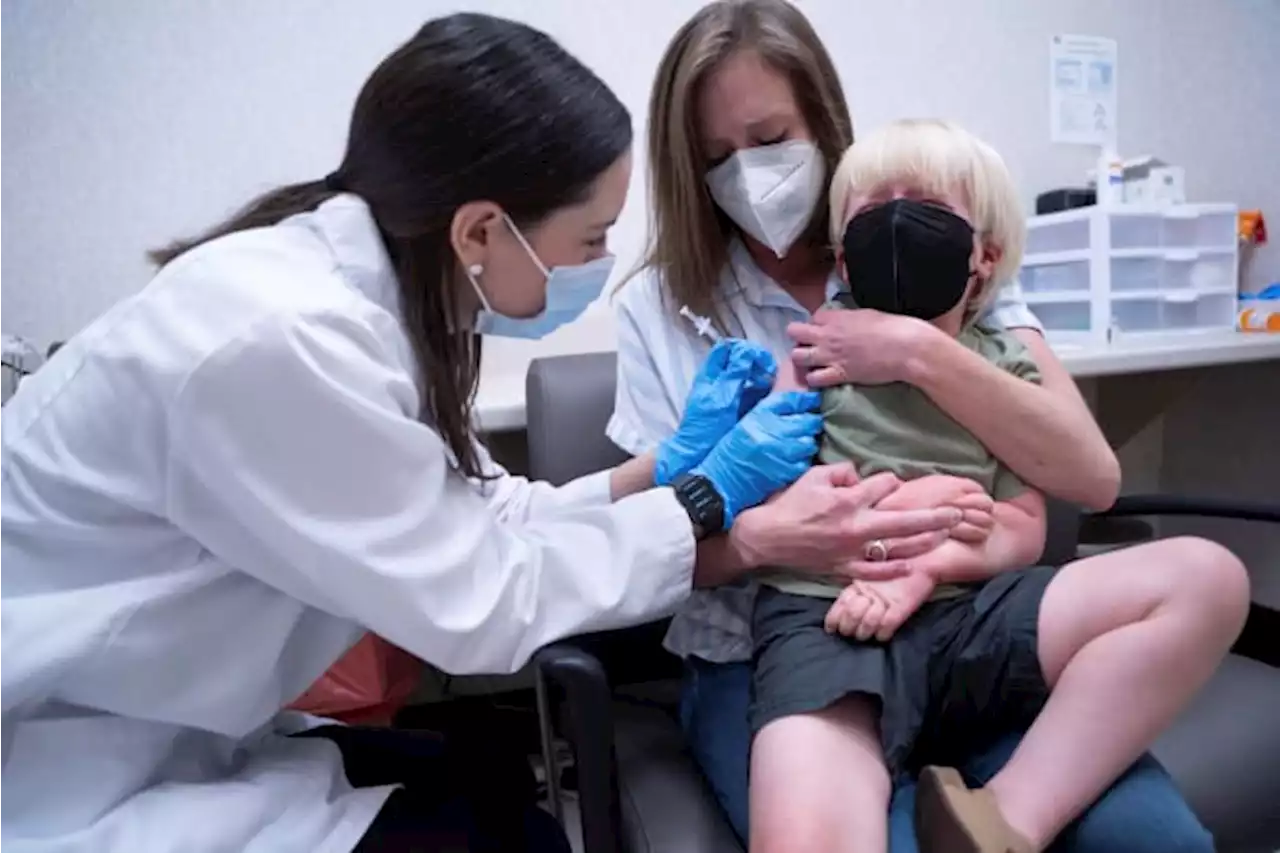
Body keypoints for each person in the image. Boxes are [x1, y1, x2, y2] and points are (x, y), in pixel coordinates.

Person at [0, 14, 965, 853]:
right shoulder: (281, 340)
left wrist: (664, 473)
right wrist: (725, 519)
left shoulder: (359, 307)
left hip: (157, 724)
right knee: (510, 827)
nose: (599, 261)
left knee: (498, 785)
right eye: (589, 238)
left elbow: (482, 511)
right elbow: (483, 602)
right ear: (478, 233)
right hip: (71, 770)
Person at [610, 1, 1243, 850]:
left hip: (969, 625)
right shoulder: (663, 309)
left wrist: (912, 349)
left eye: (769, 141)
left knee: (1154, 839)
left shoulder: (953, 267)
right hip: (786, 637)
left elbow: (1086, 481)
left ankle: (1007, 814)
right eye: (717, 157)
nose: (747, 176)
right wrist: (789, 534)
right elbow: (651, 539)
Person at [747, 119, 1248, 853]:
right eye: (870, 205)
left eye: (923, 201)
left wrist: (929, 567)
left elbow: (1022, 528)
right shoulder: (818, 349)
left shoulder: (1004, 368)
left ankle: (1005, 820)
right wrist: (899, 514)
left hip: (973, 617)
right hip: (831, 619)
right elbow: (766, 492)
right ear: (844, 261)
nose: (894, 215)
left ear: (983, 258)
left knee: (1206, 575)